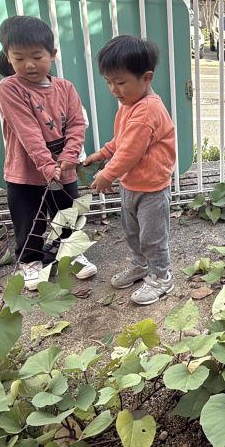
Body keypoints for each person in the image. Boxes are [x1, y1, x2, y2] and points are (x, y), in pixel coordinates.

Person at [0, 16, 95, 290]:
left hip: (64, 168)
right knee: (29, 221)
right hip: (25, 172)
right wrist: (47, 166)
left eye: (37, 56)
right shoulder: (10, 88)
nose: (29, 65)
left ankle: (71, 253)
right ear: (8, 57)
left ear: (52, 54)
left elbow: (76, 124)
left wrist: (68, 158)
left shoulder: (65, 88)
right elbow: (28, 132)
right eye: (19, 58)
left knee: (67, 214)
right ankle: (30, 261)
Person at [82, 35, 177, 306]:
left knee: (152, 237)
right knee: (133, 233)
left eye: (120, 82)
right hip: (131, 185)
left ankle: (162, 276)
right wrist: (102, 154)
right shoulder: (129, 106)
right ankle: (141, 266)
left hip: (152, 190)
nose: (114, 89)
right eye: (108, 82)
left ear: (146, 78)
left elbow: (130, 152)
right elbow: (121, 141)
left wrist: (107, 174)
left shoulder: (147, 111)